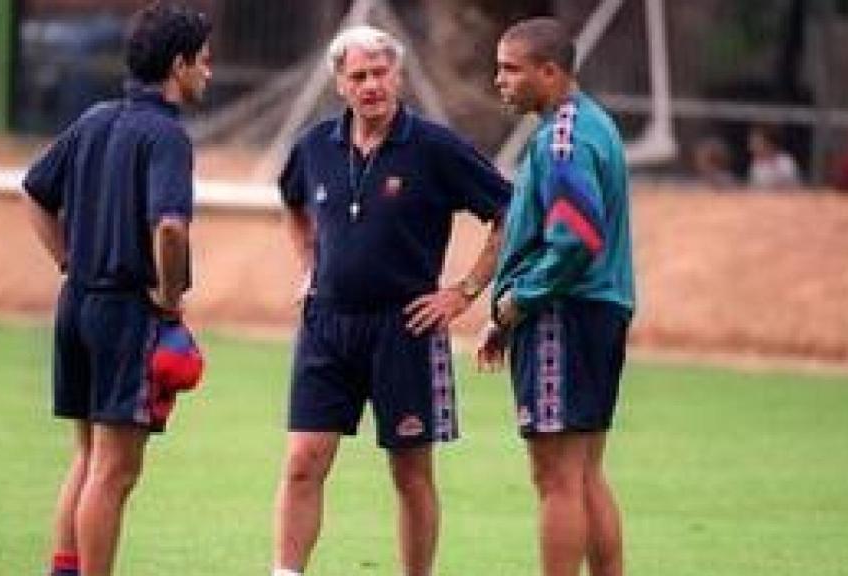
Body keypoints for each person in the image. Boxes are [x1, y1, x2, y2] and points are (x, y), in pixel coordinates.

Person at [272, 25, 511, 576]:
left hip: (405, 329)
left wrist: (465, 290)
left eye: (381, 73)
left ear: (398, 75)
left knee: (409, 473)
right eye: (359, 75)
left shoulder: (435, 148)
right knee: (304, 462)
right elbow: (292, 201)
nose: (372, 85)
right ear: (339, 84)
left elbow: (508, 211)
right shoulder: (312, 148)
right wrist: (308, 266)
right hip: (325, 326)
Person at [21, 4, 212, 576]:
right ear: (178, 66)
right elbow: (171, 227)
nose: (209, 72)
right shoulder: (167, 136)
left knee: (88, 457)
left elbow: (33, 192)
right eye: (203, 61)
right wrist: (171, 301)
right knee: (115, 470)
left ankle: (65, 571)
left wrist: (67, 260)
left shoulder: (95, 119)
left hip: (76, 304)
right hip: (127, 313)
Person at [477, 18, 635, 576]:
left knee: (556, 478)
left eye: (510, 68)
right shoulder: (595, 125)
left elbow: (576, 237)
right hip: (595, 312)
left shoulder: (562, 137)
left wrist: (522, 300)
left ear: (550, 72)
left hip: (562, 316)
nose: (499, 79)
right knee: (587, 472)